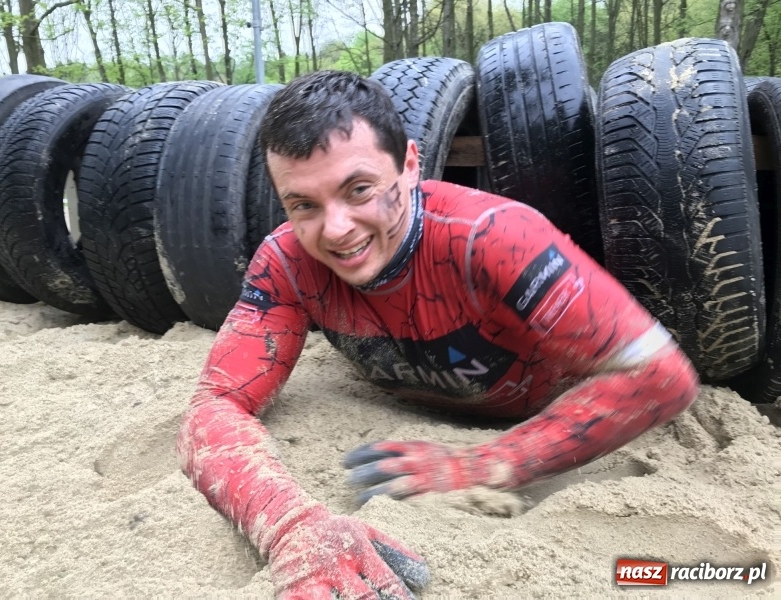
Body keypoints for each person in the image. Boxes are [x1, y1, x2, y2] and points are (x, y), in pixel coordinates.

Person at [176, 70, 699, 599]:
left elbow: (662, 375)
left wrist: (487, 463)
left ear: (409, 164)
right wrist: (293, 528)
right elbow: (214, 406)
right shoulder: (286, 261)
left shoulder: (495, 239)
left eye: (359, 189)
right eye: (304, 205)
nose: (335, 229)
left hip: (531, 405)